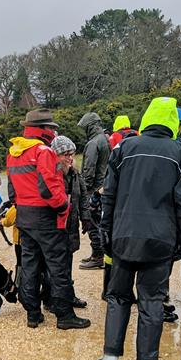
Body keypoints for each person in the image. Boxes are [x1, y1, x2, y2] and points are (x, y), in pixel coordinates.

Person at [97, 97, 181, 360]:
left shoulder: (124, 147)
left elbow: (109, 194)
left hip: (123, 235)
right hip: (161, 239)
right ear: (172, 122)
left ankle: (111, 355)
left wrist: (106, 231)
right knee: (152, 300)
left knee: (118, 296)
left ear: (147, 118)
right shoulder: (180, 153)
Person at [6, 109, 90, 330]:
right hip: (46, 219)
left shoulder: (14, 152)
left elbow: (12, 192)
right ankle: (64, 316)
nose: (53, 131)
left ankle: (33, 315)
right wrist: (65, 206)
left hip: (24, 218)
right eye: (51, 127)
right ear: (43, 129)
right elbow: (49, 188)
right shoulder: (44, 152)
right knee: (58, 268)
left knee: (30, 267)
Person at [52, 135, 88, 309]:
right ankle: (54, 298)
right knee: (56, 264)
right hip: (56, 226)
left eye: (71, 153)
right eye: (65, 154)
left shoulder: (75, 173)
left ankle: (69, 295)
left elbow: (83, 195)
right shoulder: (52, 173)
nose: (70, 158)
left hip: (72, 225)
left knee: (68, 261)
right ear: (56, 155)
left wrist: (86, 217)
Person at [77, 111, 111, 269]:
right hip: (103, 187)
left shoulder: (92, 144)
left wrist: (82, 189)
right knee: (99, 222)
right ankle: (97, 253)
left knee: (92, 224)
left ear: (90, 127)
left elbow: (88, 170)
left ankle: (97, 256)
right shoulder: (104, 139)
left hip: (93, 189)